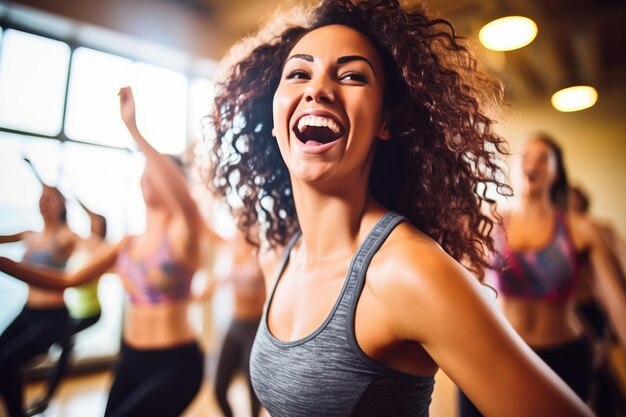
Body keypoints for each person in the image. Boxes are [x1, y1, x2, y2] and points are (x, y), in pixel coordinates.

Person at [205, 0, 595, 415]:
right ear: (273, 113)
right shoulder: (278, 254)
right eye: (299, 73)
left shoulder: (408, 270)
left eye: (352, 75)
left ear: (386, 123)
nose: (317, 89)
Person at [0, 86, 205, 417]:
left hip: (175, 364)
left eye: (159, 170)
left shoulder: (184, 234)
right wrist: (4, 263)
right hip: (131, 359)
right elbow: (66, 282)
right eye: (147, 169)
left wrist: (134, 129)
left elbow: (183, 200)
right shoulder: (127, 244)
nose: (150, 174)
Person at [458, 133, 626, 417]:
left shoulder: (581, 229)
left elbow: (615, 304)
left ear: (556, 173)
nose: (531, 163)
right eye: (525, 156)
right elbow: (463, 291)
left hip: (562, 359)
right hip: (501, 355)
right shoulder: (489, 224)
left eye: (543, 158)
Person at [0, 183, 80, 417]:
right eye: (41, 196)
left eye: (51, 197)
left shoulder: (66, 236)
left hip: (52, 317)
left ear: (62, 205)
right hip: (27, 312)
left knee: (7, 362)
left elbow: (91, 244)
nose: (44, 200)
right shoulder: (29, 235)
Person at [24, 200, 109, 416]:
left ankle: (48, 394)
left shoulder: (101, 249)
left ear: (100, 226)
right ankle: (47, 394)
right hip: (75, 312)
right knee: (64, 344)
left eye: (94, 221)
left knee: (62, 342)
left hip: (91, 313)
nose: (91, 223)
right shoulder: (82, 246)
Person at [569, 184, 626, 417]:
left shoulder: (599, 230)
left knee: (601, 364)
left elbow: (620, 263)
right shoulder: (565, 232)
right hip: (575, 311)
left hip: (597, 307)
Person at [202, 229, 265, 417]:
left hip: (255, 328)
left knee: (253, 391)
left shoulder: (263, 253)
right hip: (234, 325)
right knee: (219, 388)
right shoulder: (232, 248)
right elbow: (207, 231)